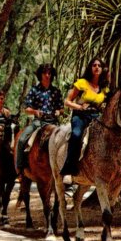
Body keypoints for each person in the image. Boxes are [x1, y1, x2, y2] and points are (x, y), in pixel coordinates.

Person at [60, 57, 110, 185]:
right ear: (90, 68)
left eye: (99, 65)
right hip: (80, 116)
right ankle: (69, 171)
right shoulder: (82, 83)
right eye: (94, 65)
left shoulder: (104, 87)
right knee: (76, 135)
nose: (97, 67)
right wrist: (79, 107)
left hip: (95, 116)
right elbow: (67, 101)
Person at [15, 63, 64, 173]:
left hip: (54, 122)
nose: (47, 75)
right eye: (45, 73)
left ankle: (66, 170)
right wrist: (35, 111)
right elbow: (26, 109)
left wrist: (58, 111)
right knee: (22, 139)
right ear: (40, 75)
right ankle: (20, 167)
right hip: (38, 122)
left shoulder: (56, 91)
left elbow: (61, 109)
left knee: (66, 140)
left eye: (50, 73)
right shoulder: (34, 90)